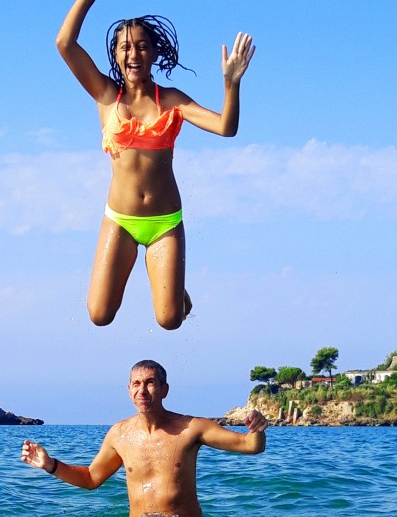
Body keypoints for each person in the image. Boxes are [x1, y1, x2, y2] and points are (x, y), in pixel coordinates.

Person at [56, 1, 256, 330]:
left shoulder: (172, 100)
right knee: (99, 315)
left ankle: (174, 289)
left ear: (154, 53)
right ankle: (166, 279)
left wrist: (231, 83)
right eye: (125, 47)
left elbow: (225, 127)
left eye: (142, 46)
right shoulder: (105, 94)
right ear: (116, 55)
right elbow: (65, 43)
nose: (133, 54)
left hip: (164, 222)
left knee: (169, 320)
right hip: (120, 220)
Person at [21, 359, 267, 517]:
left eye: (150, 383)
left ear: (164, 389)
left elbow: (251, 446)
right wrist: (50, 465)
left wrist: (256, 429)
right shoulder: (119, 434)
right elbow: (90, 479)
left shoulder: (192, 428)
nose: (142, 390)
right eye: (136, 384)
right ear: (129, 390)